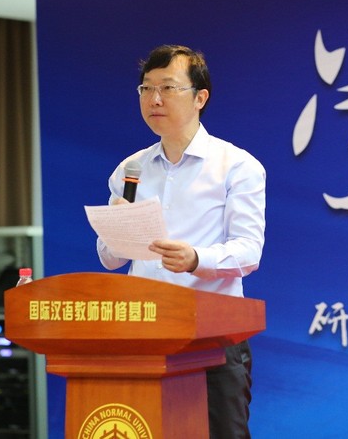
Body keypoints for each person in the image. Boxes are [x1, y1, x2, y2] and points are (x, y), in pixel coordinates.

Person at [97, 44, 266, 438]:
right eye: (146, 88)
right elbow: (109, 258)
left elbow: (248, 250)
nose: (154, 99)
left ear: (199, 98)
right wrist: (118, 231)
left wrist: (195, 259)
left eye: (168, 88)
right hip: (144, 335)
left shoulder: (236, 166)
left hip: (212, 340)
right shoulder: (130, 169)